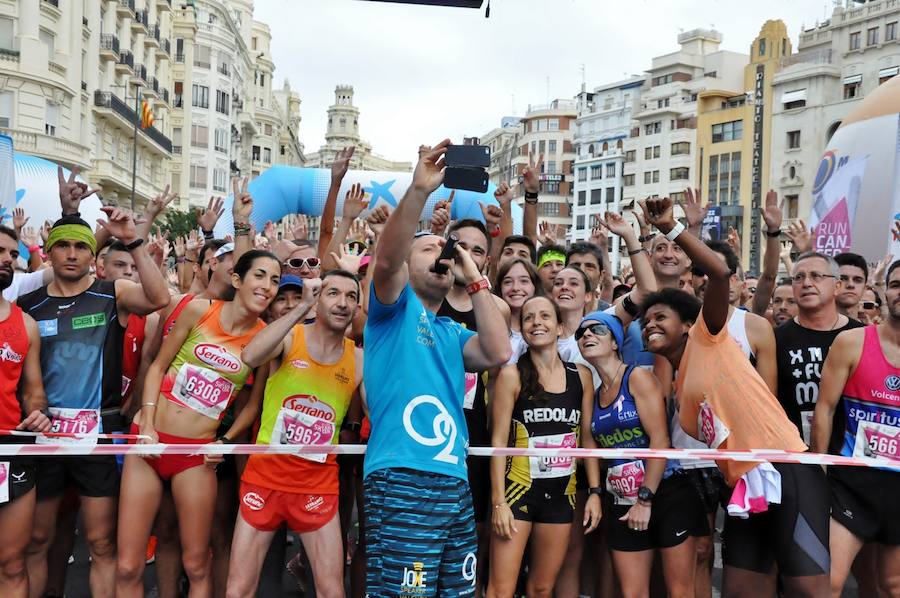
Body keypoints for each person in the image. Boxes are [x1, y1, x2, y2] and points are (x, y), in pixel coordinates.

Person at [639, 197, 829, 598]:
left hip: (786, 469)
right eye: (645, 322)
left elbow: (718, 271)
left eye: (659, 318)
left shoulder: (710, 337)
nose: (649, 325)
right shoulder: (678, 385)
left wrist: (672, 228)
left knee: (808, 591)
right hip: (741, 487)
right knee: (741, 590)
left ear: (688, 324)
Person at [363, 139, 510, 596]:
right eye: (429, 249)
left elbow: (499, 351)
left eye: (446, 249)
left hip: (454, 481)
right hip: (401, 477)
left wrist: (476, 278)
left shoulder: (451, 332)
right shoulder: (392, 310)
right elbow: (386, 261)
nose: (443, 254)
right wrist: (419, 192)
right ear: (408, 265)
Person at [20, 209, 170, 598]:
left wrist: (134, 240)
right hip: (44, 437)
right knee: (37, 540)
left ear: (94, 258)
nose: (72, 254)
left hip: (98, 436)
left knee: (102, 544)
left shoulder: (111, 294)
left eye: (81, 247)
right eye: (63, 246)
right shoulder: (29, 304)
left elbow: (159, 298)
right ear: (49, 253)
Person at [114, 250, 277, 598]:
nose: (267, 286)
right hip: (149, 444)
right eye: (260, 275)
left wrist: (225, 440)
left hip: (196, 456)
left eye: (275, 280)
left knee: (198, 564)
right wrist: (147, 422)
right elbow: (157, 366)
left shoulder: (265, 338)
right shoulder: (200, 310)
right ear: (237, 280)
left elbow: (253, 407)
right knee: (128, 565)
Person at [228, 270, 363, 598]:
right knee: (238, 591)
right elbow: (249, 356)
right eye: (332, 293)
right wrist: (301, 307)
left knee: (332, 590)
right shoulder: (291, 338)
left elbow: (377, 413)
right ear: (318, 298)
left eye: (351, 296)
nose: (342, 303)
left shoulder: (359, 360)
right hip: (265, 480)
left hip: (316, 485)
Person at [578, 309, 707, 598]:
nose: (586, 335)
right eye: (581, 333)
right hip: (622, 498)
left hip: (664, 492)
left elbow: (660, 440)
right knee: (632, 593)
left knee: (679, 591)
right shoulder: (595, 393)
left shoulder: (636, 378)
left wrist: (645, 500)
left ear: (615, 342)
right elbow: (589, 446)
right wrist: (596, 493)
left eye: (596, 330)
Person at [487, 296, 599, 597]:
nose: (537, 322)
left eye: (545, 316)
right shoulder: (511, 375)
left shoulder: (582, 376)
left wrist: (596, 493)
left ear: (560, 326)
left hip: (562, 494)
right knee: (501, 589)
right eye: (529, 318)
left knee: (542, 587)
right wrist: (498, 502)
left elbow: (587, 439)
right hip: (518, 492)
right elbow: (498, 442)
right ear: (521, 329)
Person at [812, 259, 900, 598]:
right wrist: (819, 466)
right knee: (828, 583)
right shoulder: (852, 342)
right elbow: (825, 408)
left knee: (892, 585)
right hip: (851, 484)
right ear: (884, 292)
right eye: (895, 284)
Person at [437, 217, 512, 591]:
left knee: (475, 534)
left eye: (477, 249)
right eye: (459, 244)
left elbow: (498, 375)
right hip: (432, 428)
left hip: (476, 431)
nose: (466, 253)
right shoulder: (428, 299)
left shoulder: (496, 307)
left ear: (485, 259)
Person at [0, 225, 51, 598]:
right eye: (0, 251)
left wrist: (39, 413)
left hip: (10, 449)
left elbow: (34, 393)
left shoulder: (26, 324)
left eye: (12, 254)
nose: (7, 259)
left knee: (13, 562)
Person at [774, 252, 864, 445]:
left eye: (816, 276)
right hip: (793, 456)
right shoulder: (775, 338)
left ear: (837, 286)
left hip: (850, 457)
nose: (806, 283)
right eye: (798, 277)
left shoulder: (862, 336)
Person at [494, 258, 542, 363]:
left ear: (535, 286)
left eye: (524, 281)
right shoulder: (490, 327)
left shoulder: (545, 328)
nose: (515, 288)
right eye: (508, 282)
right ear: (500, 288)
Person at [834, 252, 868, 321]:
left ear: (865, 288)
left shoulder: (869, 330)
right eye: (843, 278)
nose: (850, 285)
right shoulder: (811, 327)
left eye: (858, 280)